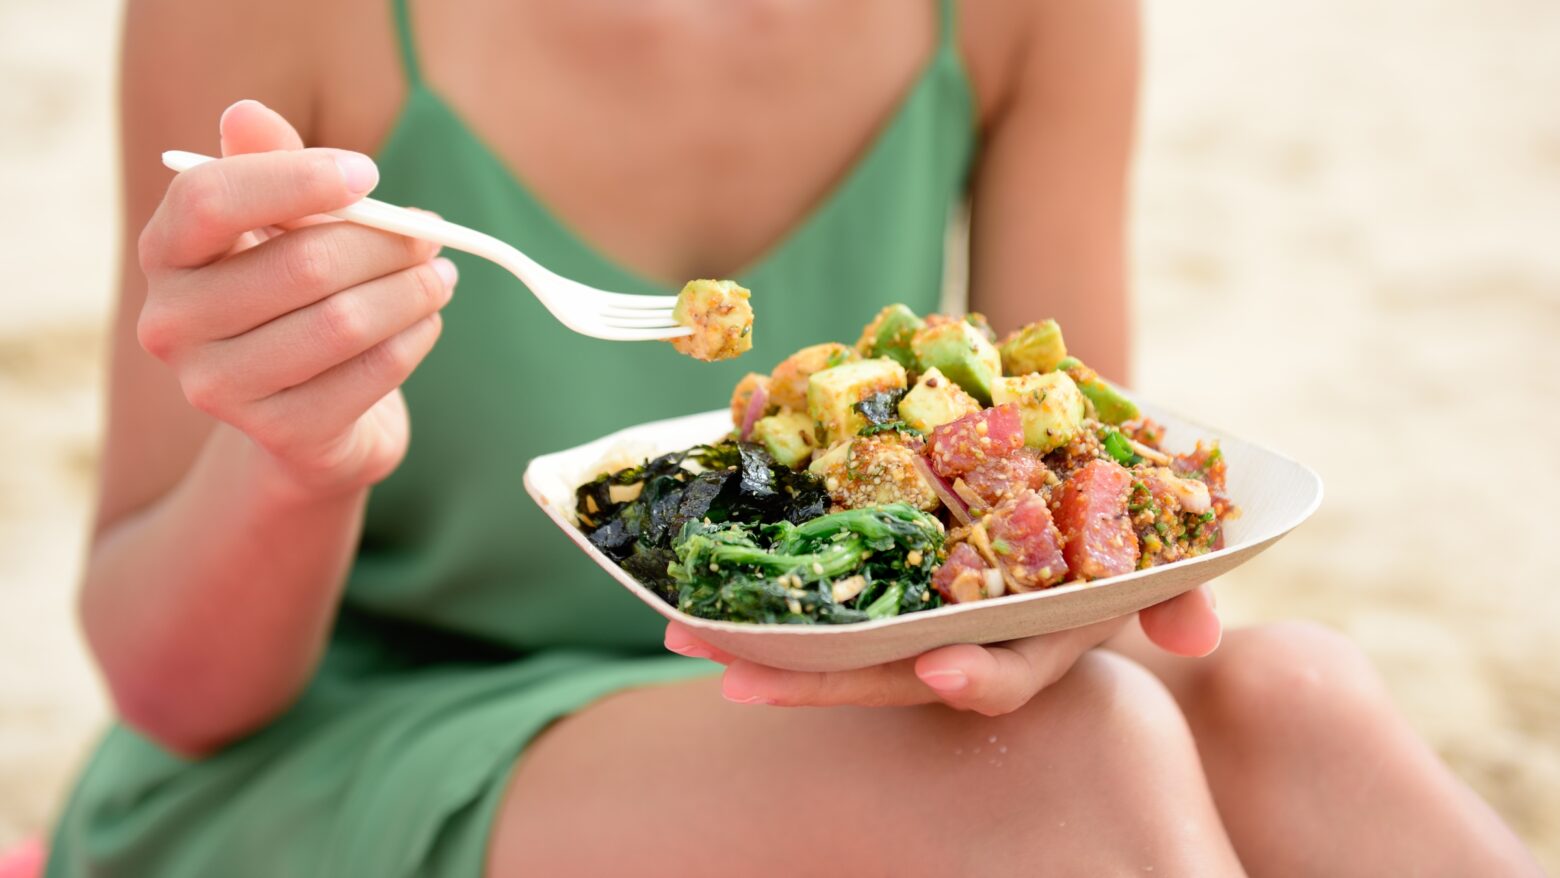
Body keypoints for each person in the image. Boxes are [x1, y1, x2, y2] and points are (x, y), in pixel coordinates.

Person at [46, 0, 1541, 875]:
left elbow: (1058, 482)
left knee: (1298, 695)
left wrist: (1053, 595)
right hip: (346, 754)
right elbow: (176, 687)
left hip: (842, 710)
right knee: (1082, 758)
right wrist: (295, 453)